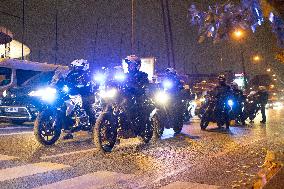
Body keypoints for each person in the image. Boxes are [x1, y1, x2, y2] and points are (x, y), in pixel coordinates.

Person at [51, 59, 94, 139]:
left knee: (88, 108)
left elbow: (89, 84)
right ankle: (67, 130)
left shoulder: (87, 75)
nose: (75, 68)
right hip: (71, 93)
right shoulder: (70, 73)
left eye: (78, 67)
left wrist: (83, 86)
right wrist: (55, 82)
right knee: (64, 109)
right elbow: (62, 79)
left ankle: (94, 126)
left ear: (83, 67)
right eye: (74, 67)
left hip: (84, 95)